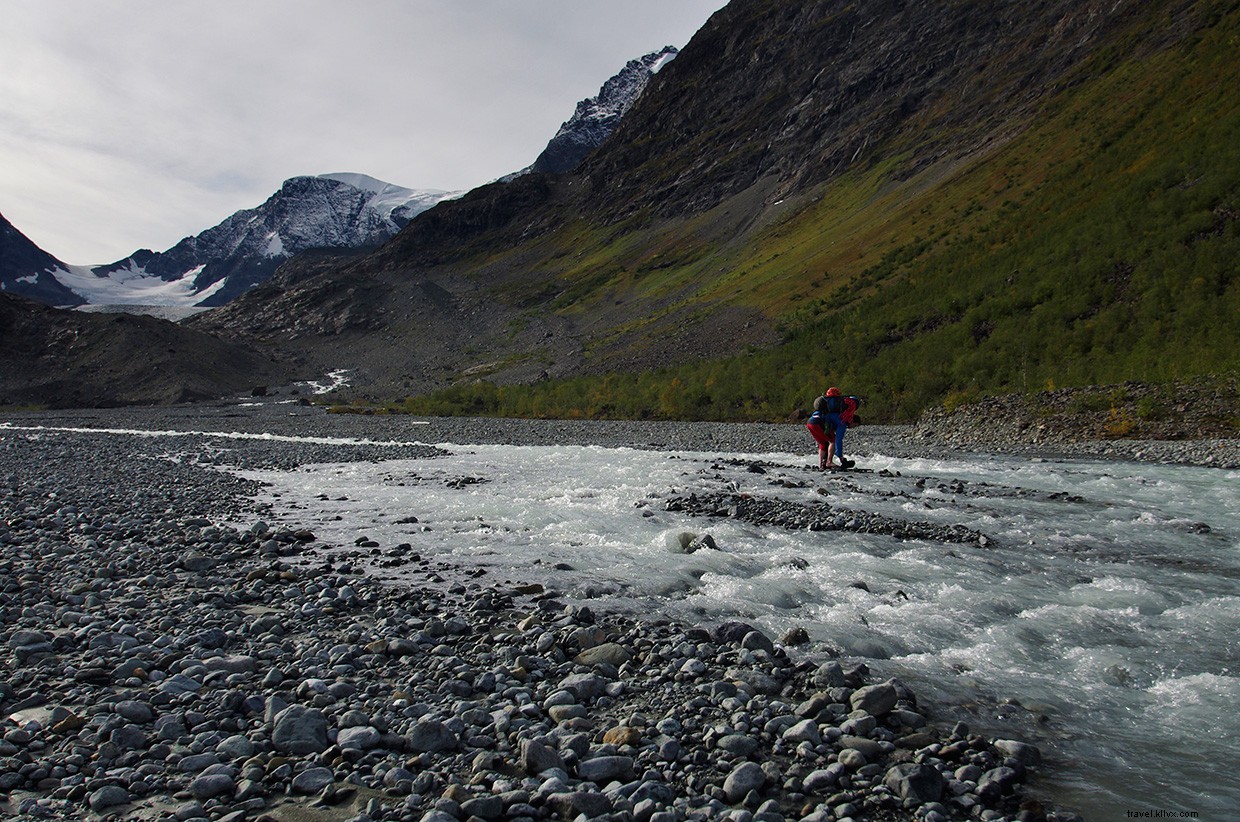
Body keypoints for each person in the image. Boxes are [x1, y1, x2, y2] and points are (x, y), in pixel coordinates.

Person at [806, 386, 860, 470]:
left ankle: (821, 465)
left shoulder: (832, 412)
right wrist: (841, 458)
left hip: (810, 422)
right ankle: (828, 462)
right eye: (855, 425)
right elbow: (838, 440)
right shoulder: (842, 421)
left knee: (824, 443)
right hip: (818, 422)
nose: (853, 427)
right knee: (833, 440)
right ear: (853, 421)